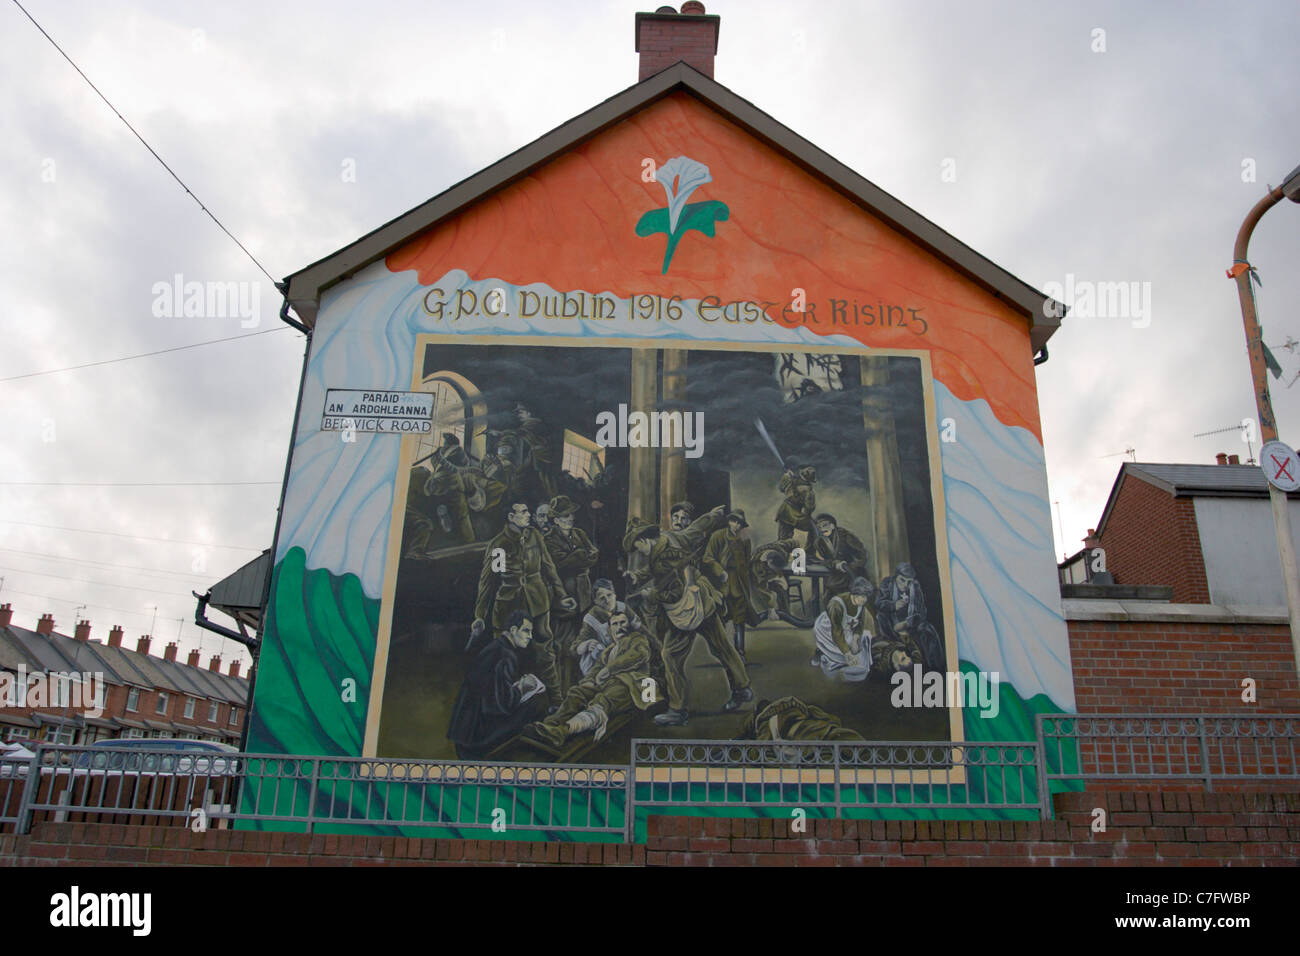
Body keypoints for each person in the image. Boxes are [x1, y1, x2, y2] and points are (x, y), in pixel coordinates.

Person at [625, 509, 753, 726]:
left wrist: (653, 595)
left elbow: (674, 590)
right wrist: (638, 576)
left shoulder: (663, 552)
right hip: (704, 599)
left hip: (687, 608)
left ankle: (677, 709)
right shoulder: (669, 538)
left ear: (644, 539)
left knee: (670, 655)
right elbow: (694, 531)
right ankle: (742, 688)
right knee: (721, 646)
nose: (641, 552)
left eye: (639, 547)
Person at [472, 502, 576, 708]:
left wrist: (561, 595)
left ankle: (556, 702)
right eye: (524, 512)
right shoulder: (499, 544)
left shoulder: (534, 536)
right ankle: (505, 706)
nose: (529, 515)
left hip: (538, 602)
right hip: (509, 606)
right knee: (504, 658)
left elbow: (548, 566)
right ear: (511, 517)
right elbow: (489, 582)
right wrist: (479, 615)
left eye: (529, 511)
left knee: (545, 651)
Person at [526, 609, 656, 748]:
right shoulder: (609, 650)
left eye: (623, 622)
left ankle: (563, 731)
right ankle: (549, 725)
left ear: (629, 624)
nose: (619, 627)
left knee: (603, 700)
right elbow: (595, 670)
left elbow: (637, 656)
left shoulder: (637, 640)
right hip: (605, 685)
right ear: (610, 628)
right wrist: (587, 682)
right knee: (577, 693)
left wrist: (609, 669)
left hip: (630, 686)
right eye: (615, 624)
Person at [447, 611, 547, 759]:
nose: (530, 636)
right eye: (526, 631)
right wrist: (523, 687)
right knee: (535, 707)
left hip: (464, 733)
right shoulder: (506, 656)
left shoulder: (495, 647)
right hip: (476, 739)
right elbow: (502, 704)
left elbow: (493, 693)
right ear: (513, 630)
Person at [544, 494, 599, 688]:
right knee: (564, 648)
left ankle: (580, 688)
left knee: (582, 644)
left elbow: (593, 554)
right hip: (564, 601)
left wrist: (578, 558)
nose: (570, 518)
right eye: (566, 515)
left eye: (571, 515)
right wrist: (579, 556)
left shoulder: (579, 534)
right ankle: (563, 692)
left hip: (583, 598)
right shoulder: (549, 540)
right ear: (556, 519)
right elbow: (560, 564)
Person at [702, 509, 762, 652]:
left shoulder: (745, 539)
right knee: (721, 618)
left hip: (739, 583)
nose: (738, 526)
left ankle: (740, 651)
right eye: (735, 522)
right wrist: (720, 571)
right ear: (729, 522)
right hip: (721, 583)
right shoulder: (718, 536)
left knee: (739, 619)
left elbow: (747, 561)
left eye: (740, 523)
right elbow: (707, 557)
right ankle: (722, 651)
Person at [873, 563, 943, 674]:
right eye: (902, 580)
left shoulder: (915, 586)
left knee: (928, 629)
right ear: (896, 577)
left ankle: (935, 668)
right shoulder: (888, 584)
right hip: (892, 626)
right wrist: (893, 605)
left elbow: (922, 612)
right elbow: (878, 604)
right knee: (882, 617)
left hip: (910, 625)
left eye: (908, 581)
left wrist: (909, 622)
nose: (905, 585)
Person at [572, 579, 644, 677]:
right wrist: (586, 644)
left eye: (609, 595)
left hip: (623, 652)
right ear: (596, 601)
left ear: (614, 594)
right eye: (602, 598)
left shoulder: (622, 608)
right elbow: (575, 648)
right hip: (600, 659)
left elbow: (641, 629)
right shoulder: (591, 618)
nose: (607, 600)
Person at [810, 577, 875, 681]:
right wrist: (847, 653)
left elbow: (860, 624)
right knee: (842, 655)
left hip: (846, 628)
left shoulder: (860, 604)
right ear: (854, 594)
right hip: (828, 630)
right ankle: (821, 652)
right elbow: (836, 631)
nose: (864, 600)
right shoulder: (836, 604)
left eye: (866, 597)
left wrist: (855, 639)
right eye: (862, 596)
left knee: (865, 637)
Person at [741, 696, 864, 741]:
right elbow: (829, 718)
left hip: (802, 732)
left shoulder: (765, 723)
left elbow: (759, 748)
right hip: (809, 726)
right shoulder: (794, 707)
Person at [810, 513, 870, 596]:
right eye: (819, 527)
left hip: (853, 573)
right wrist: (835, 564)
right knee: (828, 594)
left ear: (832, 525)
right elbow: (822, 560)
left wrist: (850, 566)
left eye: (825, 525)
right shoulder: (819, 543)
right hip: (835, 574)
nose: (822, 529)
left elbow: (862, 554)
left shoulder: (845, 536)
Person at [776, 465, 817, 541]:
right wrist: (808, 517)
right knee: (814, 529)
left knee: (783, 537)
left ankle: (781, 549)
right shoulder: (809, 491)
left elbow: (781, 488)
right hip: (794, 514)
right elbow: (809, 507)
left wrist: (786, 477)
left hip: (784, 511)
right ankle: (809, 551)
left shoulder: (792, 481)